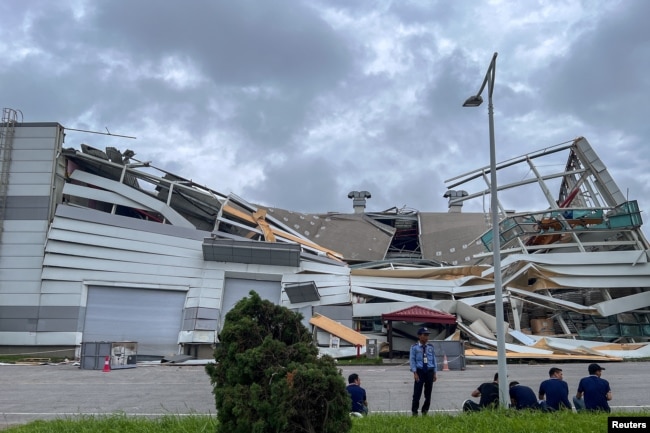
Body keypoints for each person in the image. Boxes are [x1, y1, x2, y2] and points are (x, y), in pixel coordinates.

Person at [409, 327, 437, 416]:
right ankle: (414, 412)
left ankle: (425, 411)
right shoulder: (414, 347)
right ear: (419, 336)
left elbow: (434, 359)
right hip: (420, 371)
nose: (426, 337)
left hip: (429, 371)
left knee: (428, 394)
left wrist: (435, 373)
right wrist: (415, 372)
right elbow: (412, 360)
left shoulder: (430, 347)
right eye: (424, 335)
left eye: (427, 335)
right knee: (417, 393)